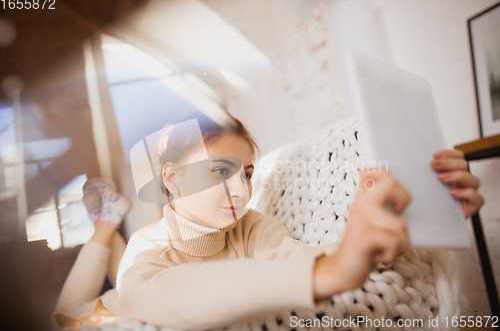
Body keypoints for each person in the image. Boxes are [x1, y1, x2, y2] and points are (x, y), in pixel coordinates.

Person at [114, 110, 484, 330]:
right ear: (172, 178)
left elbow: (306, 259)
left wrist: (401, 222)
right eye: (219, 171)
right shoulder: (147, 246)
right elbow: (145, 297)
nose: (241, 192)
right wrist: (333, 271)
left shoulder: (253, 227)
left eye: (245, 174)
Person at [51, 179, 131, 330]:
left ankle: (104, 221)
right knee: (61, 317)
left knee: (127, 284)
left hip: (138, 298)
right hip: (140, 303)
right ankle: (107, 221)